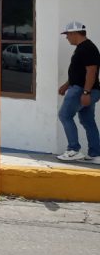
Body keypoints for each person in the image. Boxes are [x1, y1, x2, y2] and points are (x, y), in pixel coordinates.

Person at [57, 21, 100, 162]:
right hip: (82, 89)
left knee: (64, 115)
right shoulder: (83, 48)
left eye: (67, 34)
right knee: (88, 121)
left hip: (82, 90)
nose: (67, 37)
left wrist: (86, 93)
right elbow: (79, 72)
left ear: (75, 33)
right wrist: (66, 85)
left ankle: (73, 150)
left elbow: (91, 71)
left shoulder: (87, 48)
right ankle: (96, 154)